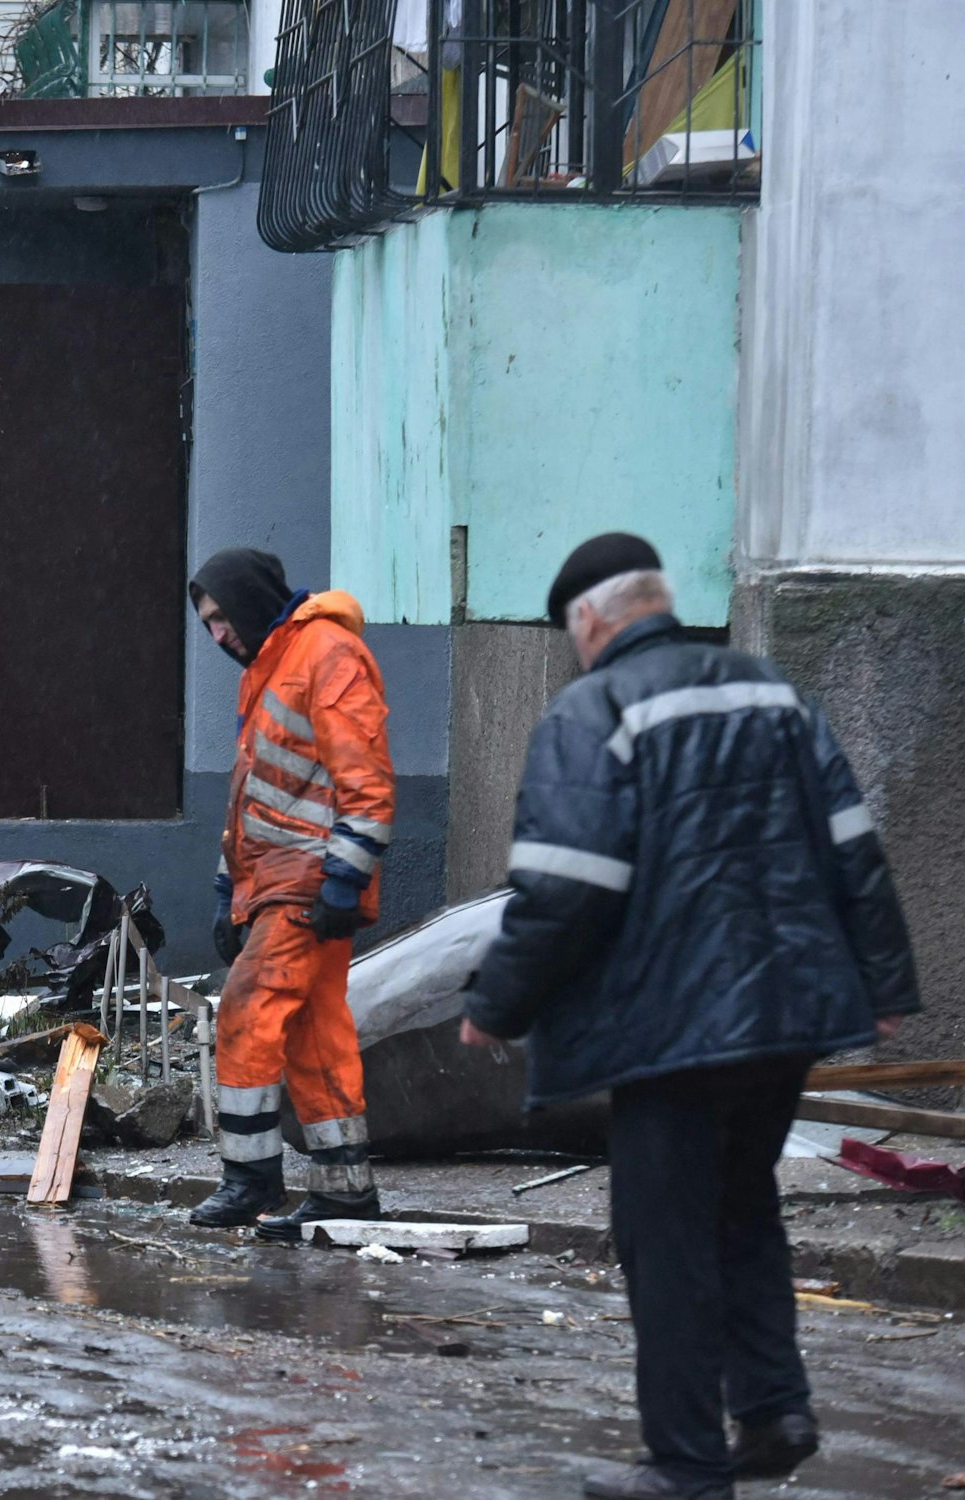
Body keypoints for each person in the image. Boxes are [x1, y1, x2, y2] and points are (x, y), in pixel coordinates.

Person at [460, 533, 919, 1500]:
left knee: (662, 1238)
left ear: (591, 619)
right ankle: (772, 1409)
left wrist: (498, 1002)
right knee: (742, 1205)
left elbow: (567, 885)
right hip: (788, 1011)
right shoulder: (771, 692)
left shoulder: (594, 710)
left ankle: (684, 1465)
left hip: (670, 1023)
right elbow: (851, 845)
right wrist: (880, 987)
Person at [186, 548, 397, 1238]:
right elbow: (256, 793)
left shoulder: (324, 654)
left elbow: (365, 783)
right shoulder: (276, 664)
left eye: (221, 617)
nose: (218, 635)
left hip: (307, 883)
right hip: (291, 883)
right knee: (315, 1033)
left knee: (246, 1016)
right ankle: (343, 1191)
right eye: (207, 623)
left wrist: (343, 876)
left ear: (249, 600)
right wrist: (229, 889)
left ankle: (250, 1180)